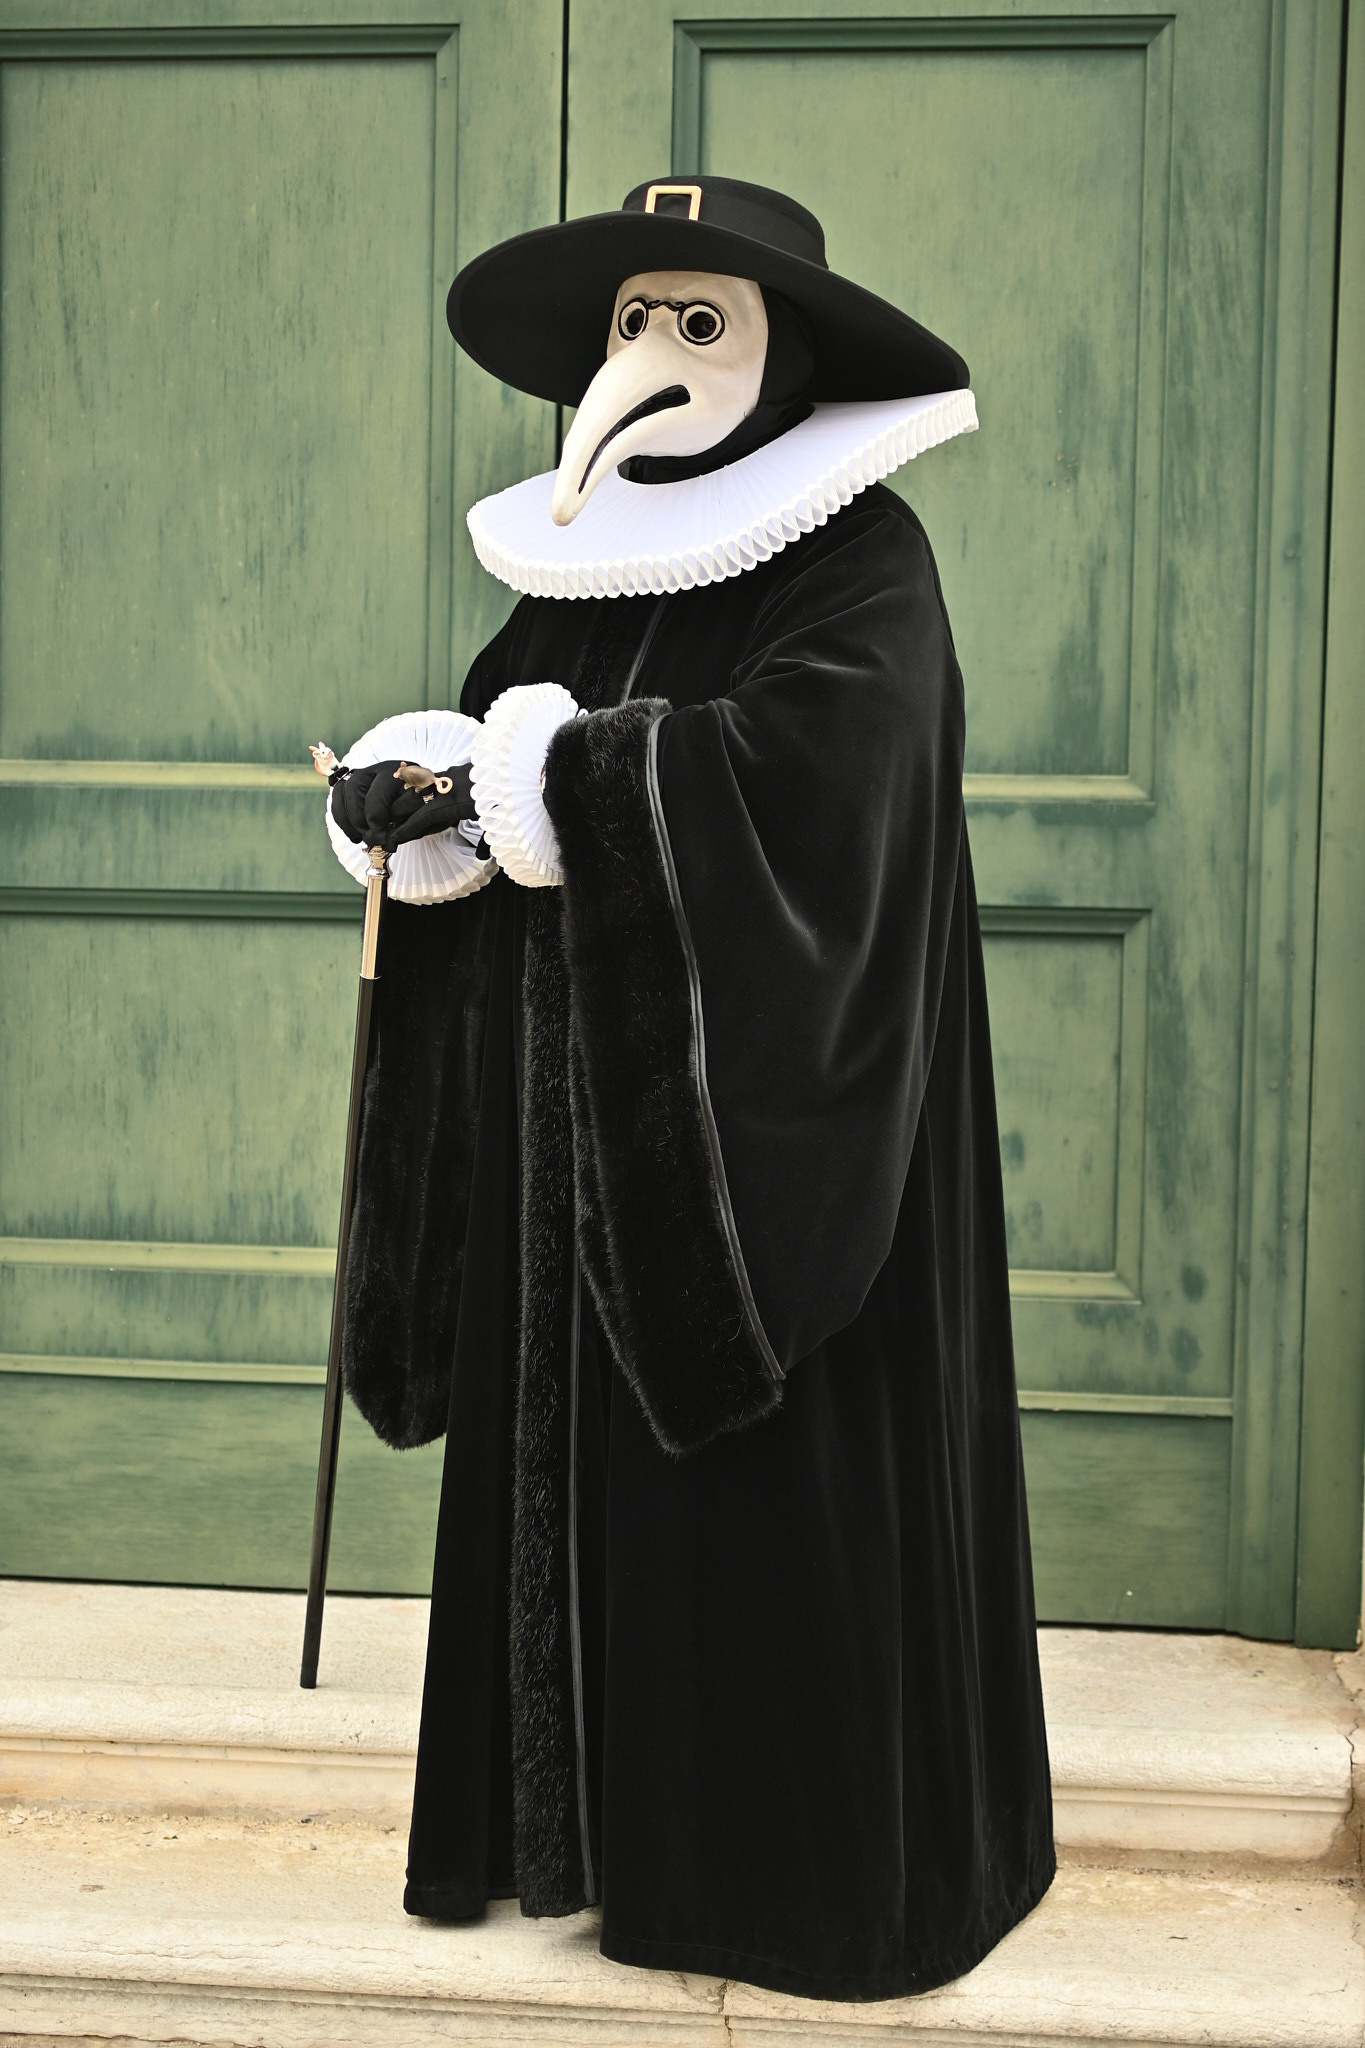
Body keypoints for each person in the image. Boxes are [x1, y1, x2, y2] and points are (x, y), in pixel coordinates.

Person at [326, 174, 1054, 2003]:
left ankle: (779, 1882)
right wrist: (413, 796)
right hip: (562, 1127)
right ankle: (569, 1834)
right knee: (566, 1474)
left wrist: (555, 784)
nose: (650, 355)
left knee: (763, 1495)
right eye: (634, 320)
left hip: (765, 1141)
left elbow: (822, 776)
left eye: (696, 322)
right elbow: (505, 749)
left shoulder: (858, 558)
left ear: (780, 349)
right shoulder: (576, 565)